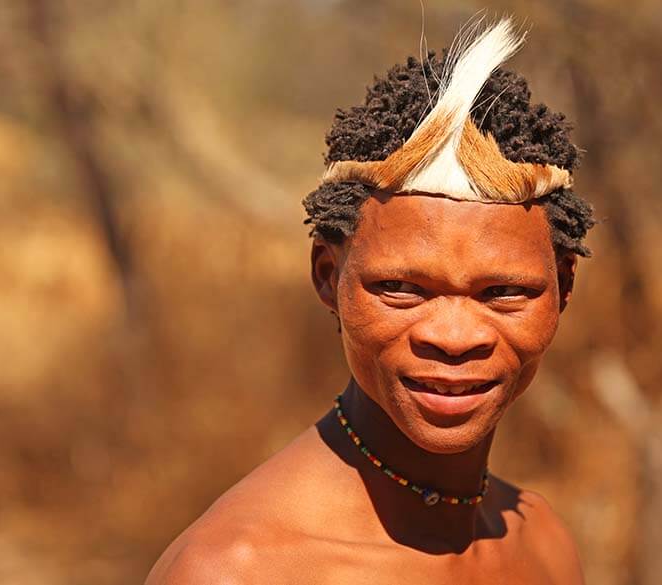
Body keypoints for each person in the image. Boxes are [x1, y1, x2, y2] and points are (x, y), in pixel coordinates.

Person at [147, 18, 595, 584]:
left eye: (503, 292)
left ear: (564, 288)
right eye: (401, 289)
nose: (454, 337)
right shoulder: (241, 571)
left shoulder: (543, 544)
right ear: (327, 277)